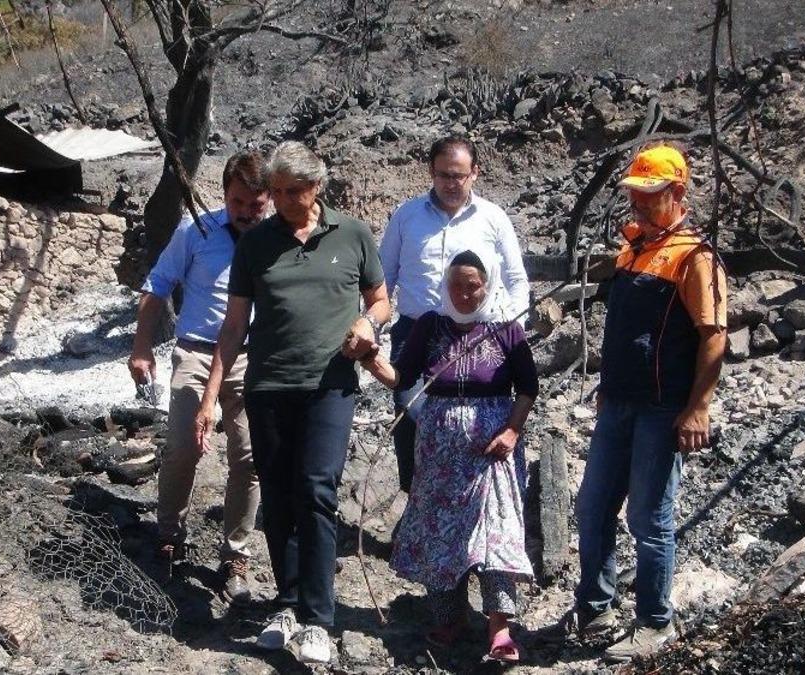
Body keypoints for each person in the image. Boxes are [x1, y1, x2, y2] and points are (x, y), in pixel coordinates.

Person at [193, 141, 391, 665]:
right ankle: (287, 604)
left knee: (316, 491)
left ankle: (319, 618)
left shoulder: (351, 234)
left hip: (329, 385)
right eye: (276, 192)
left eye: (293, 192)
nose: (282, 201)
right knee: (278, 496)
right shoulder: (256, 243)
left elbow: (380, 298)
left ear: (316, 188)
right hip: (269, 386)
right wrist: (210, 396)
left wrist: (367, 324)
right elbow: (234, 326)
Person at [540, 143, 728, 662]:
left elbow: (714, 337)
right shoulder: (632, 250)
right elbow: (626, 330)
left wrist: (698, 407)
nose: (639, 205)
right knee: (593, 505)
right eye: (635, 196)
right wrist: (608, 385)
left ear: (677, 192)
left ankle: (654, 621)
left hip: (663, 407)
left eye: (650, 196)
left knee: (649, 517)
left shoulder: (695, 257)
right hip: (619, 403)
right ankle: (596, 606)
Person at [358, 249, 537, 664]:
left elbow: (528, 387)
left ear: (487, 285)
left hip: (491, 452)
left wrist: (512, 430)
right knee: (441, 534)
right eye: (456, 285)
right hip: (439, 452)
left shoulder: (505, 329)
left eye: (473, 285)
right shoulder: (430, 325)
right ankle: (449, 617)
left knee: (497, 533)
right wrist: (369, 358)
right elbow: (401, 377)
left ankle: (500, 628)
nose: (464, 294)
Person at [128, 151, 270, 602]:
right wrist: (140, 346)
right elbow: (158, 286)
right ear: (225, 195)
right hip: (196, 354)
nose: (247, 213)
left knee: (248, 457)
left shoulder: (275, 237)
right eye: (238, 203)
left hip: (249, 359)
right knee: (183, 445)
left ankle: (235, 555)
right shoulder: (198, 230)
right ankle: (169, 534)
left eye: (255, 204)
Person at [378, 136, 530, 493]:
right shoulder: (406, 216)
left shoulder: (493, 218)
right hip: (416, 329)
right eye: (444, 174)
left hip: (479, 333)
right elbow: (383, 277)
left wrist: (513, 331)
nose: (451, 183)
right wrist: (372, 324)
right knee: (411, 412)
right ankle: (417, 496)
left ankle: (464, 499)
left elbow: (516, 279)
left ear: (474, 173)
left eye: (459, 175)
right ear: (431, 172)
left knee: (470, 418)